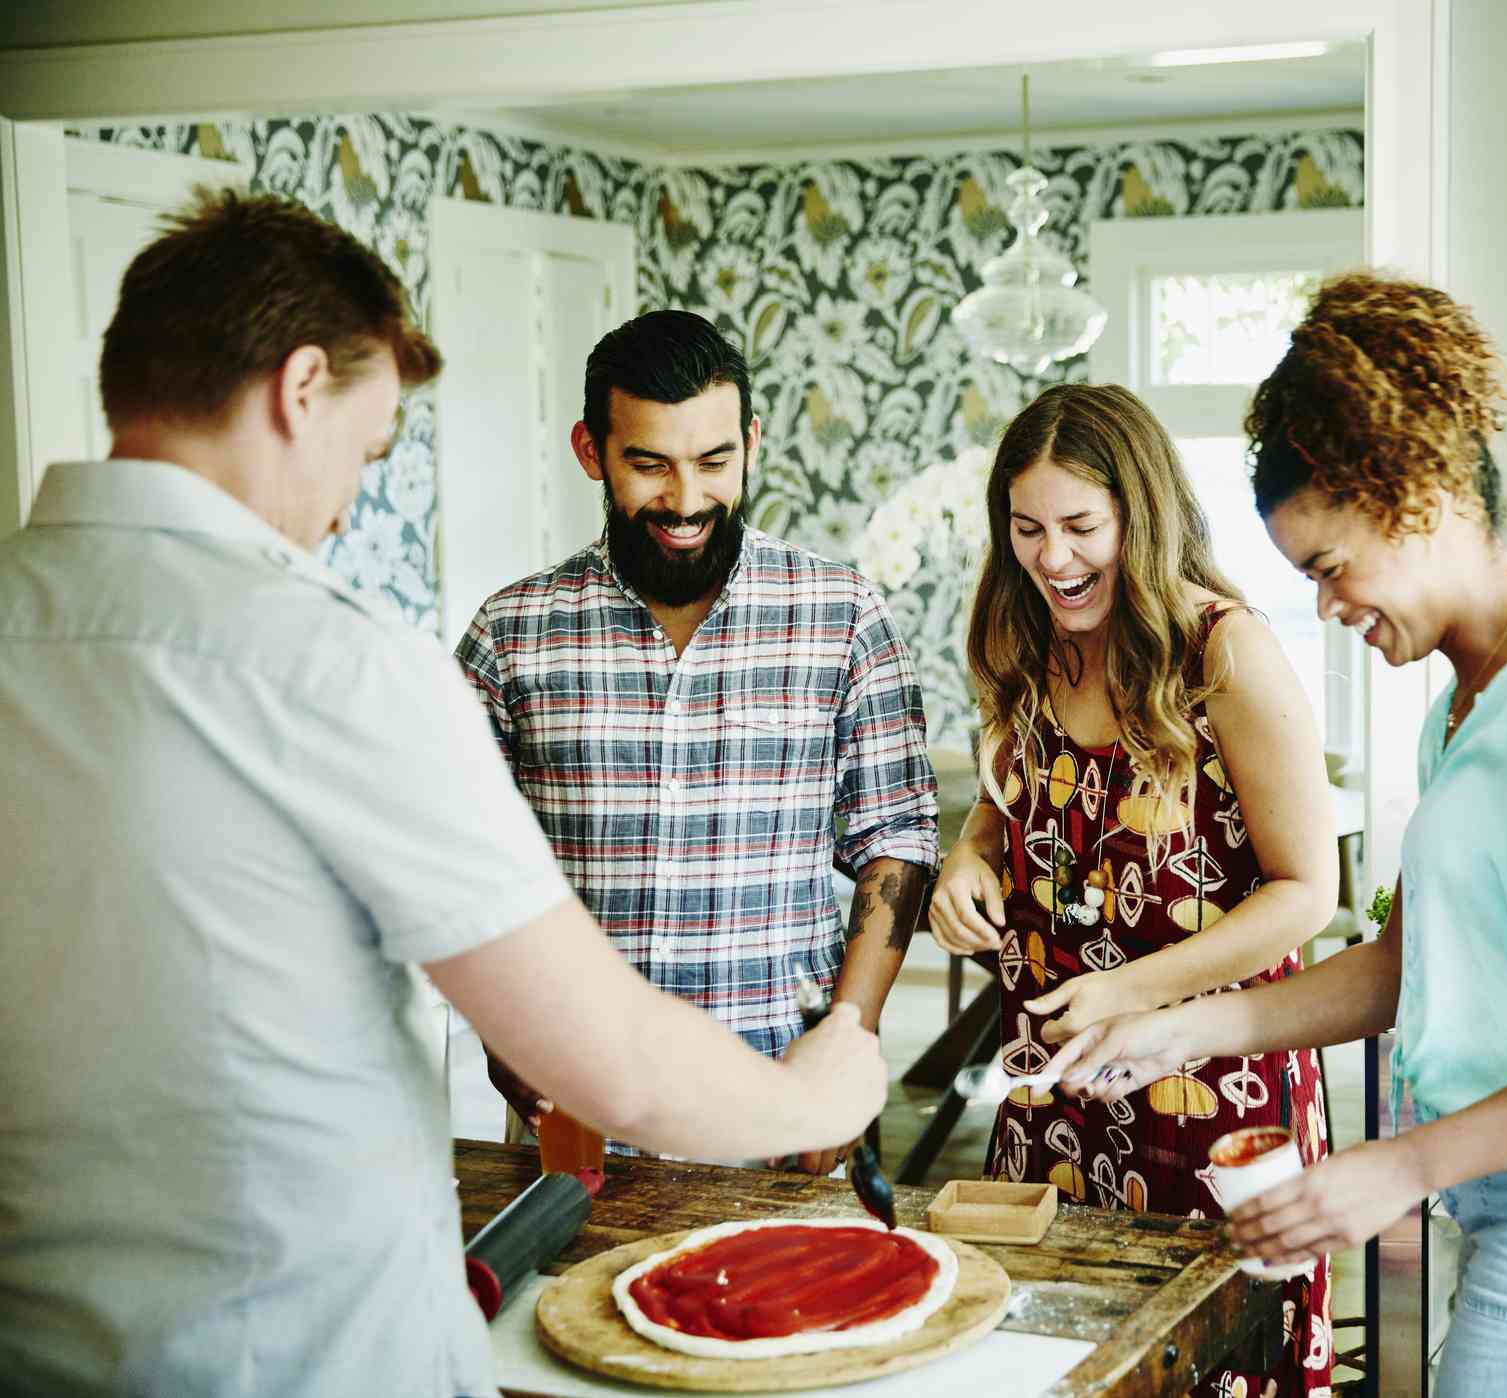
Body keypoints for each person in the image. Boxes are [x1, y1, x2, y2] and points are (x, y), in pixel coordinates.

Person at [0, 191, 885, 1398]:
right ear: (299, 390)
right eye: (367, 451)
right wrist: (817, 1087)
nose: (344, 505)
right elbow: (611, 1057)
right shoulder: (332, 662)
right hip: (303, 1353)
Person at [1048, 274, 1507, 1397]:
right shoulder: (1464, 710)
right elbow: (1401, 965)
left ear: (1419, 495)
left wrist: (1397, 1168)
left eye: (1329, 568)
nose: (1328, 608)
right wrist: (1176, 1031)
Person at [927, 383, 1340, 1397]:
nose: (1053, 558)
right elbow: (1010, 803)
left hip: (1212, 1093)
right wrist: (969, 856)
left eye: (1081, 526)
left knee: (1210, 1365)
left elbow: (1305, 892)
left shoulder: (1224, 652)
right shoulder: (1024, 640)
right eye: (1027, 529)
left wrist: (1129, 991)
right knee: (1049, 1358)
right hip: (1053, 1090)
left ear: (1141, 516)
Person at [454, 310, 937, 1174]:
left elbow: (896, 838)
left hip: (785, 1100)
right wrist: (501, 1033)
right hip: (578, 1109)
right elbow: (461, 859)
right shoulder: (510, 633)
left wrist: (849, 1036)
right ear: (592, 451)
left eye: (714, 462)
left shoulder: (840, 615)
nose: (684, 501)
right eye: (649, 464)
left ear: (751, 442)